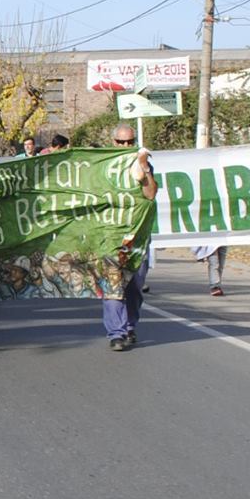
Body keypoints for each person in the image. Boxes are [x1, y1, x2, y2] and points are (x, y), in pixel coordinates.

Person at [100, 124, 160, 352]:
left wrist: (144, 168)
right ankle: (117, 332)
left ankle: (130, 325)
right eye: (121, 142)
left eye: (130, 142)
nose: (125, 146)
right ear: (113, 142)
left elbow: (151, 194)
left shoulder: (143, 165)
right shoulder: (103, 166)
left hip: (137, 236)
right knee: (113, 284)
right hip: (110, 236)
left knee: (134, 286)